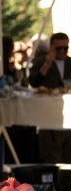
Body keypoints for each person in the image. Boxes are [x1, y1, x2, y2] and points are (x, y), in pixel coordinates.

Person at [29, 32, 71, 162]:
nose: (62, 51)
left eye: (66, 48)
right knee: (52, 153)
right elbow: (33, 82)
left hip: (67, 114)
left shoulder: (70, 62)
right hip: (48, 115)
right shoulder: (41, 62)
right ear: (51, 47)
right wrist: (46, 65)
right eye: (59, 48)